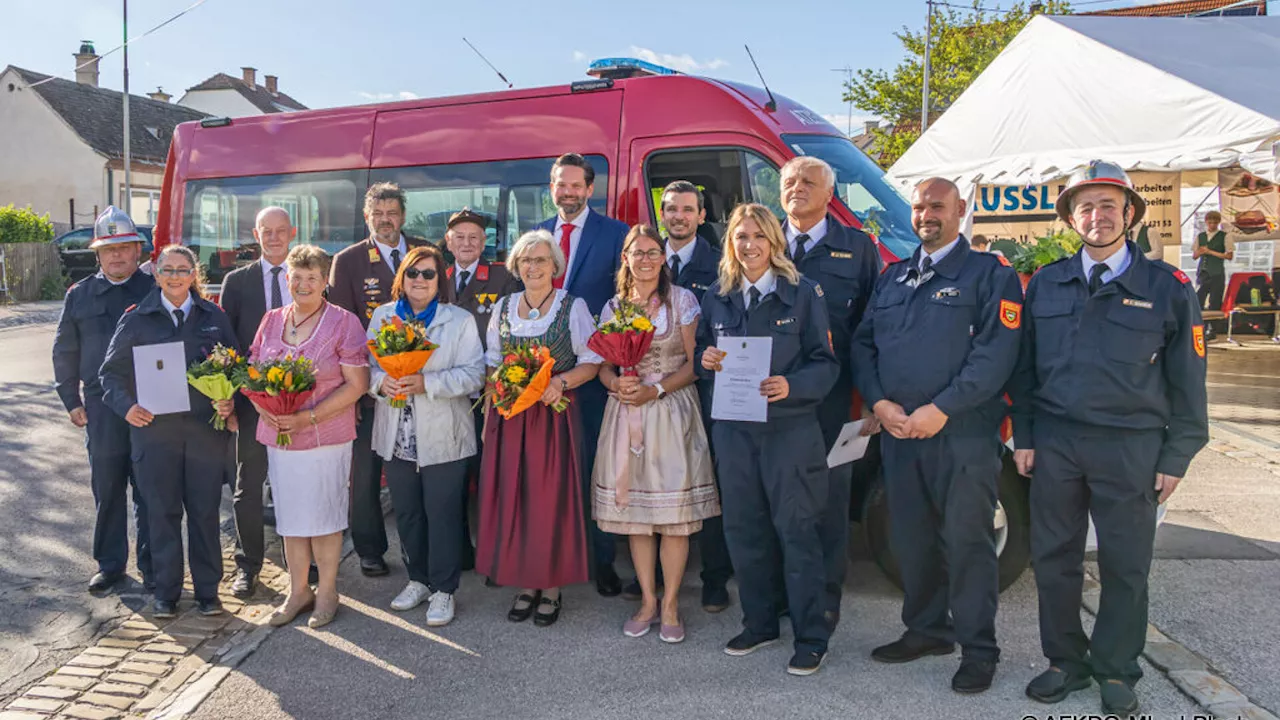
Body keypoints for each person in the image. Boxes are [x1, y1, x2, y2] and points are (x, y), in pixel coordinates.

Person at [1008, 161, 1208, 715]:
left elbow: (1189, 379)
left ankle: (1117, 669)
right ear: (1072, 217)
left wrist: (1178, 455)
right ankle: (1064, 662)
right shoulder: (1047, 282)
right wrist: (1025, 433)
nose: (1097, 215)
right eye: (1086, 206)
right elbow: (1024, 369)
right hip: (1056, 443)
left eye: (1108, 205)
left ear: (1129, 214)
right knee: (1054, 559)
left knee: (1125, 564)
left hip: (1132, 446)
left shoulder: (1166, 288)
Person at [851, 178, 1024, 694]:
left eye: (938, 206)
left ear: (960, 211)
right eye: (920, 206)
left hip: (963, 437)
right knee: (912, 538)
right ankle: (927, 630)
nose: (927, 214)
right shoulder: (894, 276)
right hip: (900, 434)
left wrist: (941, 409)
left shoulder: (989, 275)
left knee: (969, 544)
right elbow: (864, 347)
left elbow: (996, 355)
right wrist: (880, 403)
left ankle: (979, 650)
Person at [696, 203, 838, 676]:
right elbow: (701, 350)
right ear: (730, 244)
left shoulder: (802, 294)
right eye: (741, 237)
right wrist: (707, 359)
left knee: (797, 533)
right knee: (744, 531)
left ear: (774, 242)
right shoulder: (718, 294)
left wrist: (792, 386)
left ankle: (811, 636)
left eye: (759, 236)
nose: (750, 245)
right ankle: (759, 623)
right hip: (735, 433)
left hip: (789, 433)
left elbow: (826, 363)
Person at [593, 225, 720, 643]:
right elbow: (603, 365)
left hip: (670, 410)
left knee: (673, 520)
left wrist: (657, 389)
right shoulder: (614, 306)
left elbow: (693, 361)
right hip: (628, 410)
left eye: (652, 252)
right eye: (637, 252)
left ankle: (670, 604)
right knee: (639, 520)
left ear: (663, 258)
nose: (645, 259)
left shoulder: (681, 300)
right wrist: (617, 384)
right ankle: (648, 598)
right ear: (625, 258)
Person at [99, 245, 239, 618]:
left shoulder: (214, 317)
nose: (175, 276)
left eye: (182, 269)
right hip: (153, 435)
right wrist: (127, 407)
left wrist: (229, 401)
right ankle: (166, 592)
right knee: (160, 514)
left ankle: (208, 592)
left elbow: (237, 369)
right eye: (167, 269)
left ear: (195, 275)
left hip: (204, 436)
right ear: (156, 274)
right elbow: (109, 375)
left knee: (205, 514)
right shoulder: (136, 318)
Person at [476, 229, 601, 627]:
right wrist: (499, 398)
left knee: (550, 499)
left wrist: (558, 384)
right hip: (511, 417)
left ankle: (551, 587)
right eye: (527, 260)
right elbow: (492, 363)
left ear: (555, 267)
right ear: (517, 265)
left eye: (541, 260)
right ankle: (525, 582)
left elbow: (592, 361)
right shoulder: (505, 307)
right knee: (516, 496)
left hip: (554, 416)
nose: (533, 266)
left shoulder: (571, 306)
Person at [778, 156, 882, 630]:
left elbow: (872, 328)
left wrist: (872, 399)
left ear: (829, 195)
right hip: (772, 401)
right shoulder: (758, 240)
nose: (797, 188)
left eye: (808, 181)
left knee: (831, 498)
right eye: (789, 181)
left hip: (839, 402)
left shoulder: (857, 248)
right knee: (778, 498)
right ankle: (785, 591)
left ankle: (825, 596)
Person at [252, 245, 371, 629]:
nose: (303, 284)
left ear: (325, 282)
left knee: (323, 516)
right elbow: (253, 375)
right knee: (290, 517)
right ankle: (298, 590)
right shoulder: (271, 320)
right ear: (287, 279)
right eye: (296, 277)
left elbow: (357, 385)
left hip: (325, 436)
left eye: (312, 278)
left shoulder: (343, 322)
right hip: (280, 436)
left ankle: (328, 592)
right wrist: (265, 409)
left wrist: (307, 417)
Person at [369, 245, 484, 626]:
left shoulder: (459, 320)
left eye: (429, 274)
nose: (420, 280)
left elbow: (475, 374)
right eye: (413, 273)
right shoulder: (384, 317)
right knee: (408, 514)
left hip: (444, 434)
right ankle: (417, 579)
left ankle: (443, 589)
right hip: (397, 435)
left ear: (440, 280)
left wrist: (426, 382)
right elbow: (367, 368)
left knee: (443, 515)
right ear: (402, 277)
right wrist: (380, 383)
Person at [536, 153, 629, 596]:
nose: (568, 192)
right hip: (539, 375)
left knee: (594, 466)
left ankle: (600, 560)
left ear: (590, 190)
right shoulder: (536, 235)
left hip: (593, 373)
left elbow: (624, 300)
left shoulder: (615, 234)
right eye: (560, 184)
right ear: (551, 188)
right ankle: (544, 557)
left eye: (576, 185)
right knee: (543, 469)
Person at [53, 206, 154, 594]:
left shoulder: (153, 291)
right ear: (98, 255)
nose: (116, 256)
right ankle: (110, 564)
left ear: (137, 251)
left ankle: (152, 565)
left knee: (149, 489)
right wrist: (69, 398)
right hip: (101, 408)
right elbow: (64, 350)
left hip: (149, 405)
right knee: (107, 488)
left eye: (123, 248)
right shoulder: (80, 295)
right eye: (108, 249)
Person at [328, 183, 428, 578]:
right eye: (378, 214)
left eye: (392, 212)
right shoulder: (349, 260)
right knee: (366, 474)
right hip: (370, 390)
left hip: (420, 385)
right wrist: (353, 393)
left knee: (416, 470)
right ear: (367, 218)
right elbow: (344, 332)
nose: (386, 220)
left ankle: (420, 548)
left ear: (402, 215)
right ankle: (369, 548)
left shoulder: (423, 250)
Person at [646, 181, 733, 613]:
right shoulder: (646, 261)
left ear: (702, 216)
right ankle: (659, 579)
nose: (678, 216)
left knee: (708, 482)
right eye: (670, 209)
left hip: (707, 391)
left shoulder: (720, 265)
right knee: (659, 482)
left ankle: (715, 577)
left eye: (687, 209)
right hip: (656, 397)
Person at [219, 206, 295, 599]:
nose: (275, 237)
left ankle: (304, 562)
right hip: (252, 405)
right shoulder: (237, 281)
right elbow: (227, 345)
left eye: (282, 230)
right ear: (256, 233)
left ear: (293, 232)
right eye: (267, 231)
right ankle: (247, 566)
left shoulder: (310, 274)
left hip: (300, 402)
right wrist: (230, 402)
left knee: (296, 485)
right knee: (248, 487)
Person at [444, 208, 521, 570]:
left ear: (484, 242)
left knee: (491, 476)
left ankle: (496, 553)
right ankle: (459, 552)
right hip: (448, 395)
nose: (467, 243)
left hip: (488, 395)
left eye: (474, 237)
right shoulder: (435, 276)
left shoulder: (503, 277)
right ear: (448, 242)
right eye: (459, 237)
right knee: (454, 478)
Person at [1193, 210, 1233, 336]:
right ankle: (1200, 328)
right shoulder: (1200, 236)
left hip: (1217, 273)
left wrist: (1210, 252)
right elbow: (1194, 255)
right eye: (1210, 222)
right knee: (1199, 300)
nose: (1212, 225)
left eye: (1215, 223)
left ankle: (1213, 330)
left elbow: (1229, 256)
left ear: (1218, 223)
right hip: (1203, 272)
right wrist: (1201, 251)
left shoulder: (1225, 236)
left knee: (1215, 301)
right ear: (1206, 222)